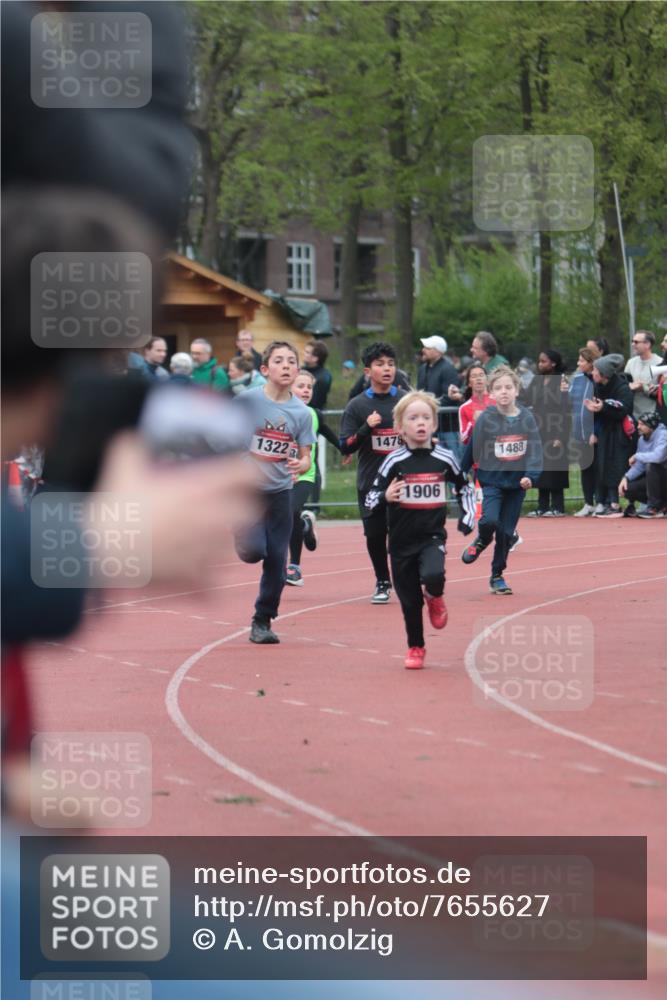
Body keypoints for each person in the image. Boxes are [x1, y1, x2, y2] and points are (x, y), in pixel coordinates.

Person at [364, 391, 475, 669]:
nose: (420, 423)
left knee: (434, 574)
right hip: (401, 542)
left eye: (426, 417)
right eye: (413, 418)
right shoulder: (393, 461)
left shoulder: (445, 458)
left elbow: (464, 487)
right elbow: (370, 498)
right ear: (400, 427)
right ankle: (416, 647)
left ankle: (435, 596)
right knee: (410, 602)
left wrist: (468, 515)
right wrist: (385, 496)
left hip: (431, 536)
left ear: (434, 424)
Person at [234, 341, 315, 644]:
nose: (286, 365)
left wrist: (300, 461)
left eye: (291, 361)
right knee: (254, 551)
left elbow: (306, 455)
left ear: (297, 369)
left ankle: (262, 620)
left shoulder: (302, 413)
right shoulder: (246, 402)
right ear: (265, 369)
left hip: (281, 490)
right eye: (278, 361)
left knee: (277, 559)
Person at [460, 367, 543, 595]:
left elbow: (535, 450)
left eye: (508, 387)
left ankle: (497, 575)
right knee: (489, 521)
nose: (504, 392)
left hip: (517, 484)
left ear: (517, 391)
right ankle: (482, 540)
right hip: (492, 480)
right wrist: (459, 473)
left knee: (506, 533)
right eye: (498, 388)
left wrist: (530, 476)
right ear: (491, 393)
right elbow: (472, 448)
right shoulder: (487, 418)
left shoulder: (526, 417)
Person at [340, 342, 407, 603]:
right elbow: (345, 445)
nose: (387, 368)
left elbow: (424, 433)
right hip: (371, 482)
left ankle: (406, 576)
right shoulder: (357, 406)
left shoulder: (404, 400)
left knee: (403, 534)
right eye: (380, 364)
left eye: (390, 363)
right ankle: (382, 580)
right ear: (368, 371)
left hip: (402, 480)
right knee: (375, 535)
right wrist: (366, 429)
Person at [285, 369, 342, 586]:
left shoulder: (314, 414)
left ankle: (294, 568)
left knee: (289, 511)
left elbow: (329, 434)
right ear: (289, 387)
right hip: (279, 475)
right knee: (289, 516)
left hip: (305, 475)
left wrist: (346, 449)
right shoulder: (277, 411)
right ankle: (305, 523)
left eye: (309, 387)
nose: (306, 390)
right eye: (301, 386)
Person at [584, 353, 634, 517]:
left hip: (621, 433)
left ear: (604, 373)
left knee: (617, 465)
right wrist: (595, 418)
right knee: (603, 465)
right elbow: (599, 409)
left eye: (596, 370)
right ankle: (606, 501)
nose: (593, 373)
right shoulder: (598, 386)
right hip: (605, 431)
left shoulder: (622, 387)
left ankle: (617, 503)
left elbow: (625, 409)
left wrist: (603, 407)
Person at [523, 349, 571, 517]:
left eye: (544, 361)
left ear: (553, 363)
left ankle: (558, 506)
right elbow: (526, 398)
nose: (540, 364)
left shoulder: (561, 380)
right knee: (541, 468)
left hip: (555, 429)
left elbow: (566, 409)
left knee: (555, 469)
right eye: (539, 361)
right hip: (539, 429)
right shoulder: (537, 381)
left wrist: (561, 436)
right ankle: (542, 506)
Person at [416, 335, 461, 456]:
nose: (423, 350)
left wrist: (428, 406)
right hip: (428, 424)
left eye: (427, 348)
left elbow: (450, 397)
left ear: (437, 352)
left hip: (446, 426)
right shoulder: (422, 369)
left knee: (452, 458)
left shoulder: (448, 369)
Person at [569, 345, 601, 516]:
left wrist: (595, 431)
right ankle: (588, 502)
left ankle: (600, 501)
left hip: (594, 435)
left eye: (581, 360)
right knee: (585, 468)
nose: (578, 363)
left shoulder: (598, 379)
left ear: (591, 363)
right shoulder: (577, 378)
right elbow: (570, 399)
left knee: (597, 468)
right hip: (579, 433)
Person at [619, 411, 667, 518]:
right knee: (627, 490)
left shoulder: (664, 435)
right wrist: (625, 478)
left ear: (651, 426)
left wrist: (636, 455)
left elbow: (658, 457)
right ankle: (662, 506)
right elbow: (639, 465)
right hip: (656, 479)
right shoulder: (641, 439)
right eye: (638, 423)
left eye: (642, 424)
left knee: (651, 465)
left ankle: (653, 508)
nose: (638, 427)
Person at [624, 330, 662, 420]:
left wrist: (643, 387)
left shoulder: (660, 363)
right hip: (632, 417)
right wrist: (630, 386)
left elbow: (663, 392)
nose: (633, 344)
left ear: (647, 344)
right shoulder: (631, 362)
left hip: (653, 417)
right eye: (632, 341)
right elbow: (624, 386)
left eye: (636, 342)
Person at [302, 340, 333, 410]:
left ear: (315, 358)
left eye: (307, 352)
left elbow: (314, 402)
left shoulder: (323, 377)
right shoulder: (299, 371)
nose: (303, 353)